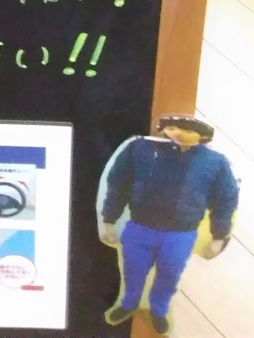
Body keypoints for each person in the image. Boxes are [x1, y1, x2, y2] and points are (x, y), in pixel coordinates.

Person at [100, 115, 239, 336]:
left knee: (170, 273)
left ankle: (159, 309)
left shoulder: (216, 163)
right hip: (139, 227)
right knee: (132, 269)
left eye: (189, 131)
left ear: (202, 136)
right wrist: (109, 220)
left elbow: (226, 199)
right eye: (173, 128)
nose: (180, 134)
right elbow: (118, 183)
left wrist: (219, 237)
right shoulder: (140, 149)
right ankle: (129, 302)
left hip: (180, 234)